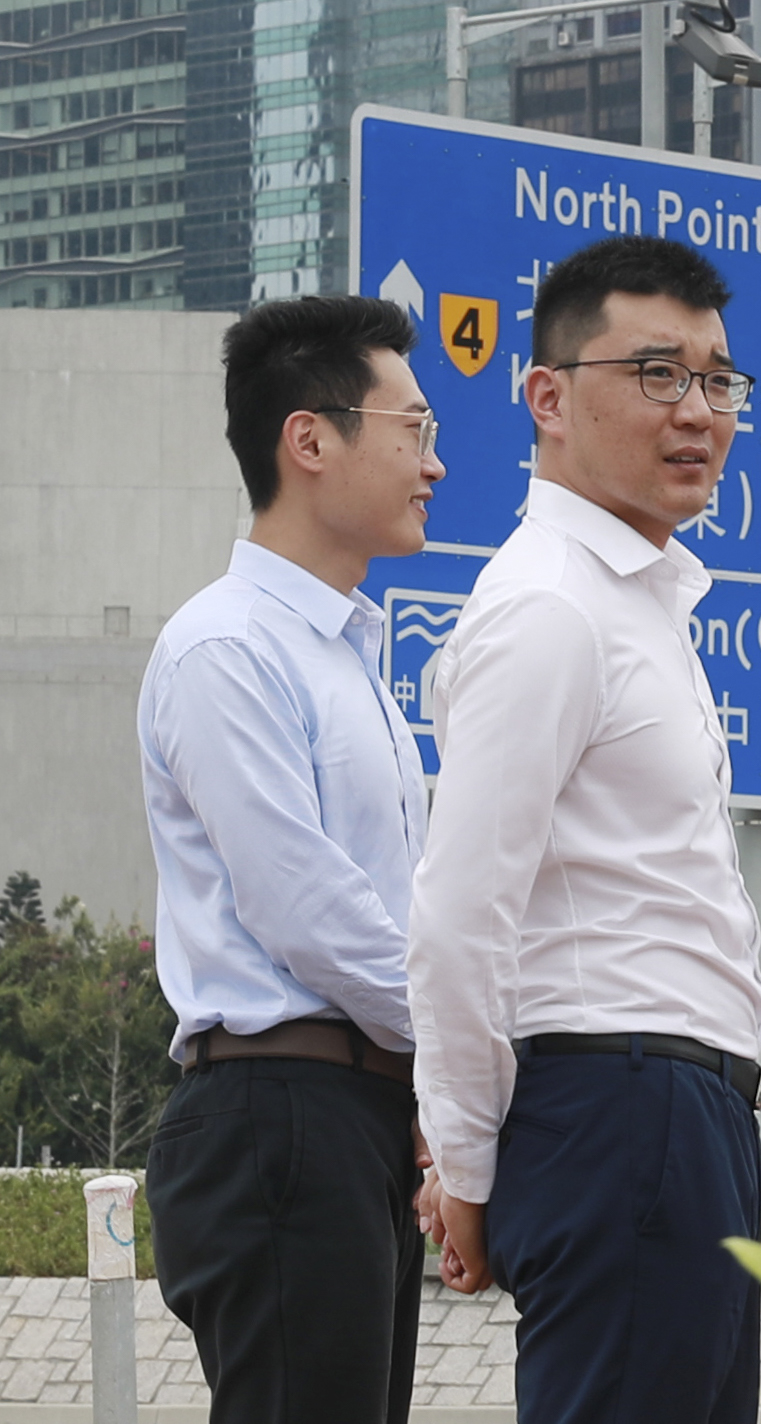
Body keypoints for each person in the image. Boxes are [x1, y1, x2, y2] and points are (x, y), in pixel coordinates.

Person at [407, 235, 761, 1424]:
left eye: (719, 381)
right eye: (658, 373)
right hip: (618, 1113)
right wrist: (463, 1163)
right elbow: (461, 914)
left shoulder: (639, 604)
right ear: (547, 396)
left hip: (684, 1119)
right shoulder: (550, 608)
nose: (699, 412)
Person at [138, 295, 447, 1424]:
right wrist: (464, 1045)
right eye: (412, 429)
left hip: (353, 1113)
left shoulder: (352, 657)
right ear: (309, 440)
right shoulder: (227, 647)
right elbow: (303, 905)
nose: (436, 464)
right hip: (280, 1113)